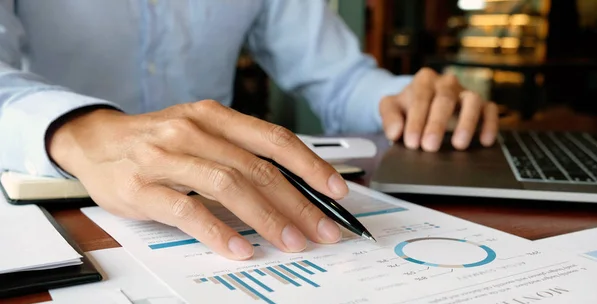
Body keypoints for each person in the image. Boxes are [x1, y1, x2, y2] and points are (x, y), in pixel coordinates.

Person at [0, 1, 498, 260]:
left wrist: (405, 102)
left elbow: (340, 79)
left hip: (224, 197)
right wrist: (80, 130)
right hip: (55, 192)